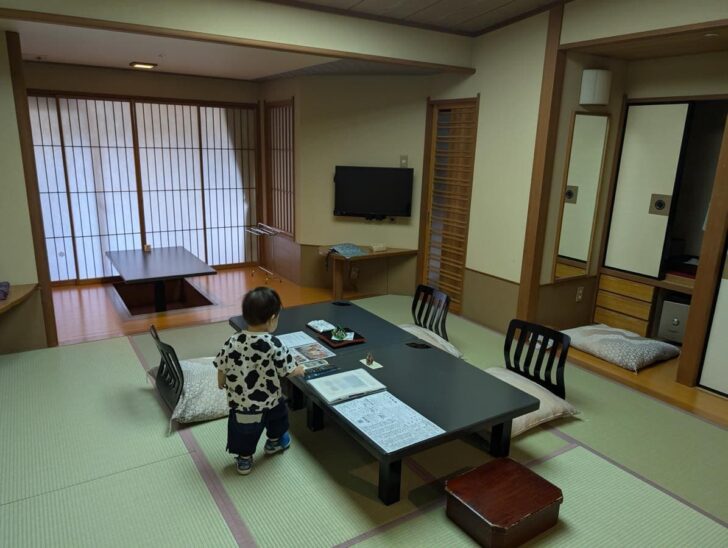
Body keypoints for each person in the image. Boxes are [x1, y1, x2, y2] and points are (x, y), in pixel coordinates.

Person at [214, 287, 304, 475]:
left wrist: (221, 380)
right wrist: (301, 369)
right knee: (278, 420)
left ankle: (244, 459)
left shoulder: (233, 341)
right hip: (270, 400)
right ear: (272, 319)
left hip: (241, 402)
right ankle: (274, 443)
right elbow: (288, 370)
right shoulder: (274, 344)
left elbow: (222, 365)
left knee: (242, 432)